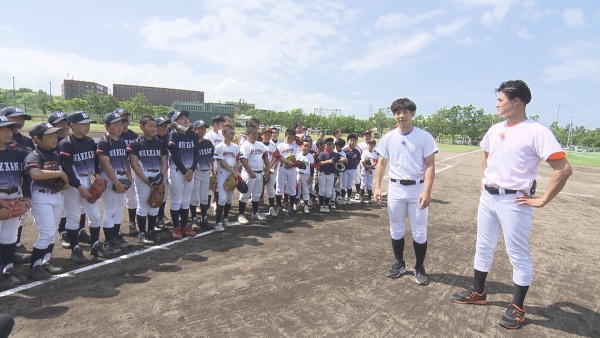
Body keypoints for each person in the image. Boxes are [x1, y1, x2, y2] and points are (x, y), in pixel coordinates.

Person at [450, 80, 573, 329]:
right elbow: (486, 155)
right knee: (483, 245)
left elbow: (563, 169)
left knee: (517, 253)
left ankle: (517, 306)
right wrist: (486, 180)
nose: (497, 103)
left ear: (516, 101)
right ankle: (478, 292)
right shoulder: (495, 129)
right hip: (489, 197)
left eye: (501, 99)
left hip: (515, 200)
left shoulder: (537, 131)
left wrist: (542, 199)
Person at [374, 97, 438, 286]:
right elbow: (381, 163)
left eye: (405, 112)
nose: (401, 116)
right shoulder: (389, 137)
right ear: (394, 115)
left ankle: (419, 266)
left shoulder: (423, 136)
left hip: (417, 188)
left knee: (419, 231)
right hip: (395, 188)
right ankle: (399, 263)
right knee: (397, 229)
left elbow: (430, 166)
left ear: (412, 114)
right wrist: (377, 187)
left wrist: (427, 191)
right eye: (398, 113)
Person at [59, 111, 108, 261]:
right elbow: (67, 168)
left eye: (88, 123)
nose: (87, 126)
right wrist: (79, 187)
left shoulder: (89, 141)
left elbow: (95, 161)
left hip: (88, 180)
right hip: (74, 185)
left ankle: (94, 246)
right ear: (72, 125)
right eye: (83, 124)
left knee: (95, 216)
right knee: (73, 217)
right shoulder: (66, 144)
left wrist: (98, 174)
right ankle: (75, 249)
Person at [25, 122, 70, 280]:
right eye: (50, 136)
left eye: (55, 135)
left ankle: (45, 261)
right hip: (41, 196)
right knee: (47, 232)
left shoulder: (54, 154)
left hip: (56, 195)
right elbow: (36, 174)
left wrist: (64, 181)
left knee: (52, 232)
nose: (54, 138)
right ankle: (34, 267)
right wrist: (60, 174)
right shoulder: (34, 155)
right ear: (36, 139)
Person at [50, 111, 91, 250]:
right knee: (63, 209)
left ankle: (80, 231)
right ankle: (64, 233)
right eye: (59, 123)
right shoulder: (50, 142)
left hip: (72, 180)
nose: (63, 125)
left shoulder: (72, 141)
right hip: (57, 180)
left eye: (64, 122)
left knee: (81, 207)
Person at [127, 115, 168, 245]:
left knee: (155, 204)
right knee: (143, 205)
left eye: (155, 125)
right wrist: (146, 180)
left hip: (158, 176)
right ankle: (142, 233)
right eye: (150, 125)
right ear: (141, 127)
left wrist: (161, 178)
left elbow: (164, 162)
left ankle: (151, 231)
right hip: (143, 177)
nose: (153, 128)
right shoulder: (136, 143)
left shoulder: (160, 143)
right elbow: (134, 164)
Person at [0, 106, 33, 264]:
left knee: (10, 236)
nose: (8, 133)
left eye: (9, 129)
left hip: (14, 197)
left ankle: (6, 271)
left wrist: (26, 197)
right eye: (3, 129)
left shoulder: (16, 152)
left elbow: (27, 175)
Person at [97, 111, 132, 254]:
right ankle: (108, 241)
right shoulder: (104, 142)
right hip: (110, 178)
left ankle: (116, 237)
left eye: (121, 124)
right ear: (106, 126)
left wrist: (129, 177)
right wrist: (116, 182)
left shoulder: (122, 141)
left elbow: (126, 161)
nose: (120, 127)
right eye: (116, 124)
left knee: (118, 210)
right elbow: (106, 165)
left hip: (122, 176)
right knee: (110, 210)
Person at [167, 110, 197, 240]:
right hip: (177, 171)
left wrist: (192, 170)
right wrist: (186, 171)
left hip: (190, 172)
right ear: (175, 122)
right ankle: (175, 227)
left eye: (186, 117)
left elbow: (196, 154)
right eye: (181, 118)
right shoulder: (173, 134)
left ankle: (184, 225)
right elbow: (175, 155)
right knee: (176, 200)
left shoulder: (193, 135)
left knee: (186, 200)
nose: (185, 120)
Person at [114, 108, 140, 237]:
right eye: (122, 119)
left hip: (130, 169)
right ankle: (115, 226)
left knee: (132, 196)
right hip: (117, 170)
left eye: (126, 118)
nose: (125, 121)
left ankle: (132, 223)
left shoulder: (133, 135)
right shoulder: (114, 137)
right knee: (115, 201)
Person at [237, 125, 269, 223]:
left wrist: (267, 170)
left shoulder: (260, 145)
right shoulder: (245, 145)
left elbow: (265, 157)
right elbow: (242, 159)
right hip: (248, 173)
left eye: (257, 134)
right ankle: (241, 215)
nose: (256, 136)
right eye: (253, 134)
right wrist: (251, 172)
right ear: (247, 134)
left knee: (256, 195)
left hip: (259, 173)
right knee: (245, 194)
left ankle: (255, 213)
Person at [213, 125, 240, 231]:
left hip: (232, 173)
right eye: (230, 133)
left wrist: (235, 171)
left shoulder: (235, 147)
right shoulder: (219, 146)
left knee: (229, 198)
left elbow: (238, 160)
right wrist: (232, 171)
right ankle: (217, 223)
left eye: (233, 133)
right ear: (223, 134)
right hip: (222, 172)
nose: (232, 135)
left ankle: (225, 218)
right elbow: (221, 161)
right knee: (222, 198)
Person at [189, 120, 214, 231]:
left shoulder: (208, 143)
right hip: (196, 172)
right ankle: (194, 220)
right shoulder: (192, 143)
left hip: (206, 172)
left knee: (204, 197)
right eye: (200, 128)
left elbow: (212, 158)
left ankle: (203, 219)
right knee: (194, 197)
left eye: (204, 129)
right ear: (194, 129)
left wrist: (213, 171)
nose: (202, 131)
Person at [275, 129, 299, 215]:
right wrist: (287, 161)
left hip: (292, 169)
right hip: (282, 168)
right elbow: (278, 156)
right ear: (285, 136)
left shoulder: (295, 145)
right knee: (279, 188)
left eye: (292, 137)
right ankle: (278, 207)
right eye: (288, 137)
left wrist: (294, 163)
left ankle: (291, 206)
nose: (290, 139)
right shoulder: (281, 145)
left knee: (292, 189)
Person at [154, 116, 172, 229]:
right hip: (154, 173)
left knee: (163, 195)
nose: (165, 128)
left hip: (164, 171)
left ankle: (160, 217)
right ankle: (154, 219)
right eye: (163, 126)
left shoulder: (166, 138)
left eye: (166, 125)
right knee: (154, 196)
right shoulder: (152, 140)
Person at [316, 137, 341, 213]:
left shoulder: (336, 155)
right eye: (328, 144)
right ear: (324, 146)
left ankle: (326, 205)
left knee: (328, 190)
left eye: (331, 144)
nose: (330, 146)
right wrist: (328, 161)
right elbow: (318, 163)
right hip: (323, 173)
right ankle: (321, 205)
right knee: (322, 190)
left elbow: (340, 160)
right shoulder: (322, 154)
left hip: (331, 174)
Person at [260, 126, 280, 216]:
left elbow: (276, 158)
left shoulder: (273, 147)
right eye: (266, 134)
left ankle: (271, 207)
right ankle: (255, 210)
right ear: (262, 135)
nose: (268, 136)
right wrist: (265, 168)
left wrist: (268, 168)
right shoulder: (258, 145)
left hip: (271, 170)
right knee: (257, 190)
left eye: (269, 134)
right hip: (260, 170)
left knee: (271, 189)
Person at [296, 138, 315, 214]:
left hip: (306, 175)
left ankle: (306, 206)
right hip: (298, 174)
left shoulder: (310, 156)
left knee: (306, 190)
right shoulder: (298, 155)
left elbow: (312, 167)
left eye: (308, 146)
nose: (306, 147)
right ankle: (296, 203)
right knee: (297, 189)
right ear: (301, 146)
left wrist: (311, 176)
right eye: (305, 146)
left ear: (310, 147)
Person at [341, 134, 361, 205]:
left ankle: (348, 198)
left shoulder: (357, 151)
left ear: (356, 142)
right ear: (347, 142)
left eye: (354, 141)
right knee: (343, 184)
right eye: (351, 140)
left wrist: (354, 165)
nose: (352, 142)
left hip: (352, 169)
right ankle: (343, 198)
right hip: (345, 169)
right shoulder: (345, 150)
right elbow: (341, 159)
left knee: (349, 185)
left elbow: (358, 160)